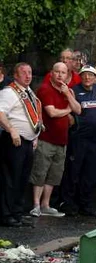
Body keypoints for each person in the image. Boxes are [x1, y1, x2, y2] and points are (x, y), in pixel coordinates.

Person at [60, 65, 96, 216]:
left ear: (95, 76)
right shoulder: (74, 90)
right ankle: (69, 204)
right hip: (78, 138)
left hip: (95, 138)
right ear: (81, 76)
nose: (87, 78)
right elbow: (72, 111)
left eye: (91, 75)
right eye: (84, 75)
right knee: (73, 171)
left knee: (90, 173)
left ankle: (87, 204)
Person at [30, 62, 82, 218]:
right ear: (51, 73)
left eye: (63, 72)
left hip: (62, 140)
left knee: (54, 174)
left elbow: (78, 109)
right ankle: (36, 205)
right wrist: (68, 110)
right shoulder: (45, 89)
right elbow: (51, 113)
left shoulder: (68, 91)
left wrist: (67, 95)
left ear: (67, 75)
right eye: (57, 72)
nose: (60, 75)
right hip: (46, 138)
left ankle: (46, 204)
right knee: (40, 172)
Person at [0, 63, 41, 227]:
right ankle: (6, 214)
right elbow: (1, 113)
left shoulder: (28, 92)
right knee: (9, 179)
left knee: (22, 179)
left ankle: (17, 212)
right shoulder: (9, 92)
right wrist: (11, 130)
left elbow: (33, 116)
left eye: (30, 72)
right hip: (13, 141)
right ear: (15, 75)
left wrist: (36, 135)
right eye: (23, 73)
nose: (28, 75)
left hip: (27, 142)